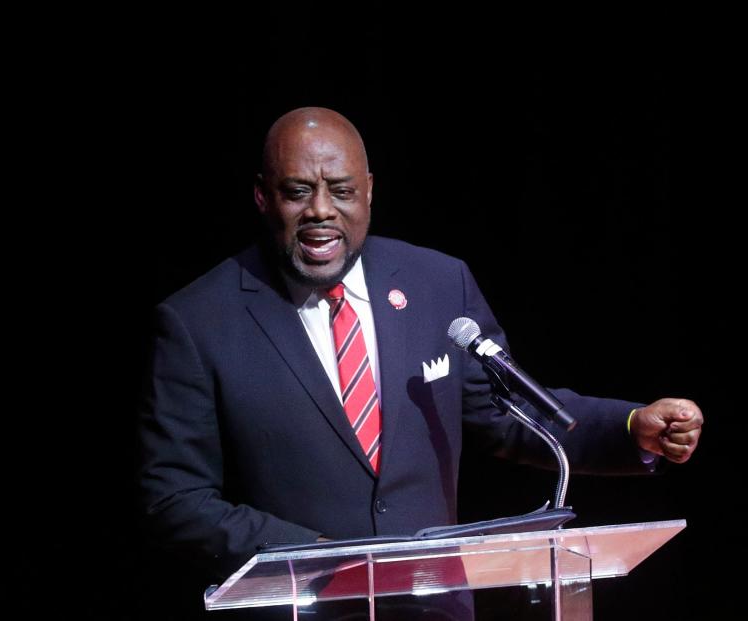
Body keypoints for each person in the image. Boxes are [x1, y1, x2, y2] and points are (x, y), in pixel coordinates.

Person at [138, 107, 704, 615]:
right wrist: (310, 557)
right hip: (298, 606)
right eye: (297, 191)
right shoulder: (199, 321)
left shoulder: (437, 284)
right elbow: (175, 498)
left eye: (341, 190)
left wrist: (631, 428)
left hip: (434, 606)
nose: (320, 212)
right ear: (263, 196)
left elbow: (504, 414)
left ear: (369, 191)